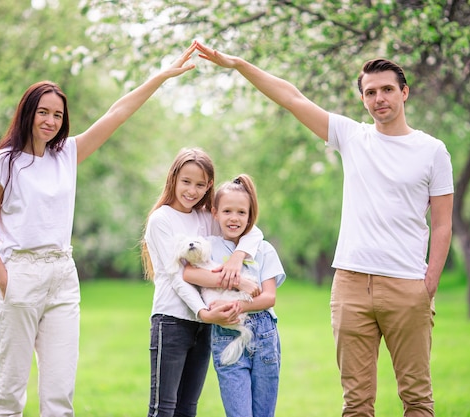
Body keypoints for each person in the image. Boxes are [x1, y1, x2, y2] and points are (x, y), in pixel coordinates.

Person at [194, 41, 454, 417]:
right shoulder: (354, 137)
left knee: (416, 399)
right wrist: (237, 65)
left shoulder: (432, 150)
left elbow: (444, 224)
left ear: (404, 92)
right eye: (370, 92)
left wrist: (427, 285)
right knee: (356, 403)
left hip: (406, 286)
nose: (379, 98)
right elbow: (292, 98)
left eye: (387, 90)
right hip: (351, 287)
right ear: (363, 98)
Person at [0, 42, 198, 417]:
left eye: (58, 115)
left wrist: (160, 77)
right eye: (43, 112)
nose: (50, 121)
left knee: (60, 399)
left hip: (63, 276)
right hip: (20, 274)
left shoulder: (68, 156)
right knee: (9, 397)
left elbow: (118, 112)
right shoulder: (5, 163)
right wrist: (5, 280)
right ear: (27, 114)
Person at [141, 148, 263, 417]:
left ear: (209, 185)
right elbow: (177, 276)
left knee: (188, 408)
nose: (192, 191)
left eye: (200, 184)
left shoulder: (206, 217)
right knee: (164, 408)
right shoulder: (162, 219)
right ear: (173, 179)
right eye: (186, 182)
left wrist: (238, 257)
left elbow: (253, 231)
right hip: (172, 321)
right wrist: (205, 312)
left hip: (204, 326)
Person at [183, 174, 286, 417]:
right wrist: (238, 282)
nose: (234, 218)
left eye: (242, 212)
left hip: (264, 334)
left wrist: (239, 306)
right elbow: (189, 273)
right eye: (227, 211)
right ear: (215, 213)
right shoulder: (208, 246)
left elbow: (269, 297)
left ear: (250, 216)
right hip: (226, 336)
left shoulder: (263, 249)